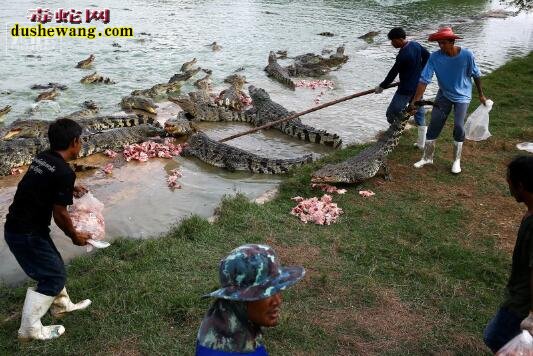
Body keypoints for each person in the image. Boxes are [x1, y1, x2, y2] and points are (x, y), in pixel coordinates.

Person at [4, 118, 92, 341]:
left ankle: (61, 306)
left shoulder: (43, 158)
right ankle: (29, 329)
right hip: (26, 233)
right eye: (80, 140)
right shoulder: (64, 172)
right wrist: (75, 235)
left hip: (21, 226)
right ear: (74, 142)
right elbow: (60, 214)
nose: (80, 144)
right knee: (53, 276)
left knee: (53, 264)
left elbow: (42, 182)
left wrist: (70, 188)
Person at [195, 244, 305, 355]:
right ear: (240, 298)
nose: (277, 301)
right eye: (266, 294)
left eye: (276, 289)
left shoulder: (232, 319)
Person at [409, 26, 487, 174]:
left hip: (462, 96)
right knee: (435, 123)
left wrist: (481, 94)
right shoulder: (435, 57)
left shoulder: (467, 55)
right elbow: (424, 79)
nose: (441, 46)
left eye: (444, 43)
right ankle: (427, 157)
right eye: (439, 43)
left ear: (452, 42)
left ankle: (456, 160)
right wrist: (415, 101)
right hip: (444, 94)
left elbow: (476, 74)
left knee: (458, 125)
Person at [483, 156, 533, 353]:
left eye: (510, 184)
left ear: (520, 185)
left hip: (522, 303)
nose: (509, 190)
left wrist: (531, 314)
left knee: (495, 337)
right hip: (520, 297)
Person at [375, 27, 430, 149]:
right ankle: (421, 143)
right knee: (420, 114)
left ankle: (395, 133)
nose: (392, 43)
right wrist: (420, 70)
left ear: (400, 39)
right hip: (418, 87)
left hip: (405, 89)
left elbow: (393, 73)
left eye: (393, 41)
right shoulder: (416, 45)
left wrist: (381, 86)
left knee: (391, 113)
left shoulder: (403, 55)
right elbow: (428, 56)